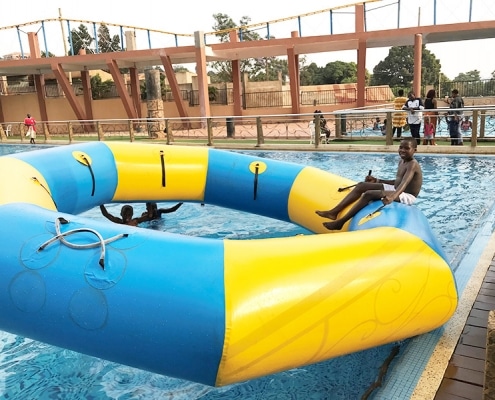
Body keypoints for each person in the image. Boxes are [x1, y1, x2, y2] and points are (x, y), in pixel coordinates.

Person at [315, 138, 422, 231]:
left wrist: (392, 196)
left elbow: (404, 183)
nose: (402, 150)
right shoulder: (402, 161)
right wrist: (377, 180)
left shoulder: (413, 164)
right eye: (401, 147)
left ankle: (341, 222)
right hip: (397, 188)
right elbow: (397, 181)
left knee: (369, 194)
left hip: (406, 195)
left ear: (415, 150)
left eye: (407, 148)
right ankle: (333, 212)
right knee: (362, 185)